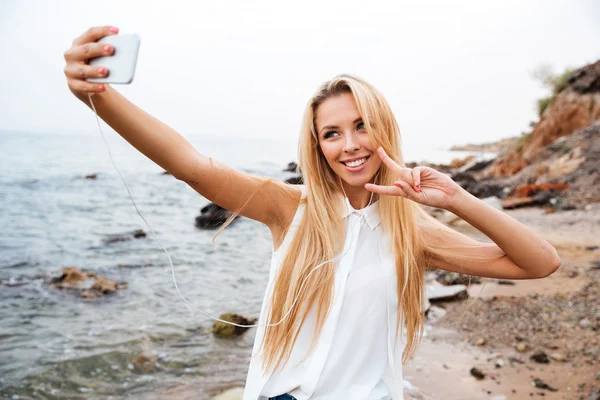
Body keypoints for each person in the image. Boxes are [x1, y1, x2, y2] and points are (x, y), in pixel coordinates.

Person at [63, 26, 561, 400]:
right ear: (317, 145)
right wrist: (97, 96)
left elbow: (541, 263)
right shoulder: (290, 208)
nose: (350, 146)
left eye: (362, 126)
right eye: (332, 133)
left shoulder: (414, 229)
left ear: (384, 128)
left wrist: (458, 200)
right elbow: (191, 165)